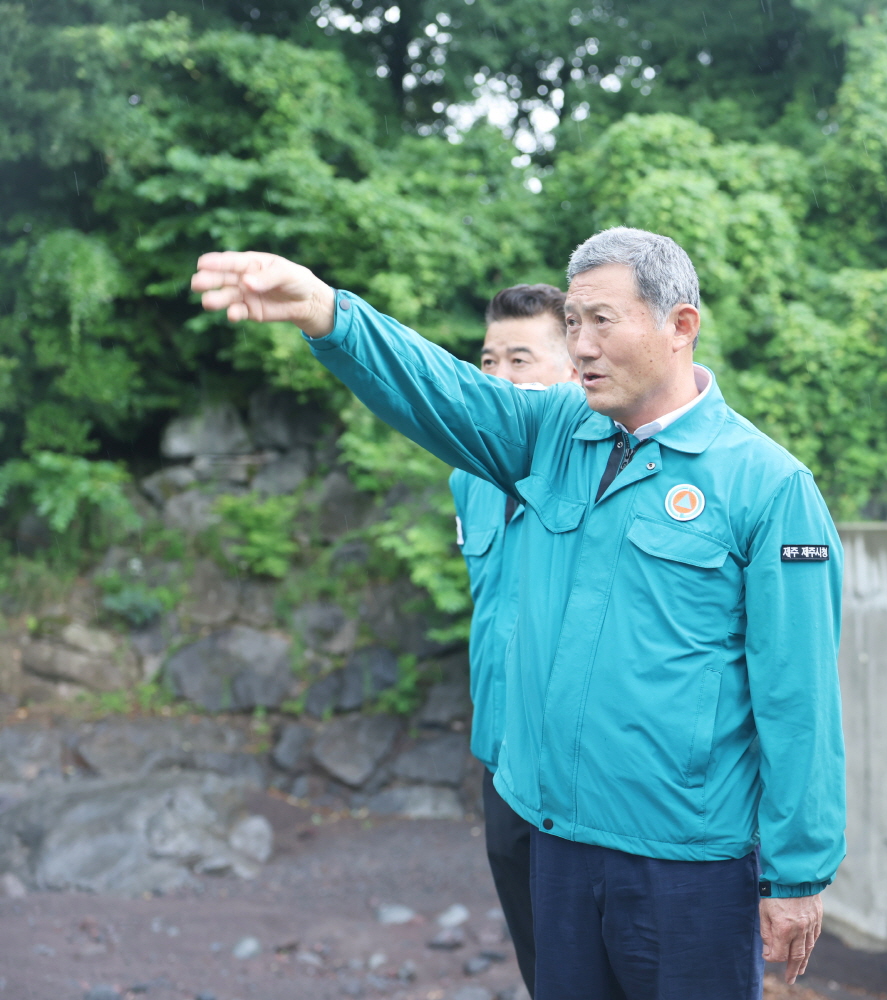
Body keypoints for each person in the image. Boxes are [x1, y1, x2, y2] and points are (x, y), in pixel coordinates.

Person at [191, 227, 846, 1000]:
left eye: (603, 320)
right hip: (557, 841)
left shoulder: (767, 485)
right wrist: (329, 314)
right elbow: (443, 390)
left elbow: (798, 698)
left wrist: (797, 873)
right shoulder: (554, 433)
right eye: (572, 322)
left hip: (686, 862)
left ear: (680, 325)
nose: (582, 345)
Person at [452, 282, 578, 998]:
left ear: (572, 370)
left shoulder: (591, 475)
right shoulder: (466, 476)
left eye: (520, 359)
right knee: (541, 969)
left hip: (571, 769)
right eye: (488, 359)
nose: (495, 378)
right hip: (497, 754)